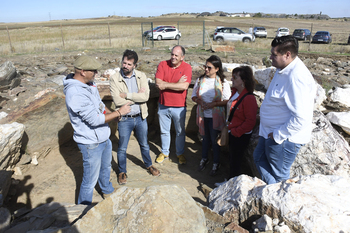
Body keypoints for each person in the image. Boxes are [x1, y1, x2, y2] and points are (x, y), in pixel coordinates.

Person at [63, 55, 131, 205]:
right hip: (90, 142)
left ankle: (107, 190)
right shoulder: (75, 93)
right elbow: (94, 120)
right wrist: (119, 113)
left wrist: (111, 114)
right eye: (93, 71)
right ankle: (83, 209)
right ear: (82, 71)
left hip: (103, 137)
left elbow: (99, 106)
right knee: (90, 179)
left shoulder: (89, 84)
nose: (96, 73)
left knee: (105, 167)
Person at [253, 35, 316, 184]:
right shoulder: (284, 68)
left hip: (283, 138)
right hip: (270, 134)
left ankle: (278, 201)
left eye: (274, 55)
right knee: (258, 158)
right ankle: (272, 192)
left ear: (287, 55)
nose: (270, 57)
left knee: (280, 176)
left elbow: (301, 117)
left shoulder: (296, 77)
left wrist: (277, 135)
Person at [110, 49, 160, 185]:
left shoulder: (141, 76)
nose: (125, 66)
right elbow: (117, 101)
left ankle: (149, 165)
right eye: (124, 62)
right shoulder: (114, 78)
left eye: (129, 64)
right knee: (122, 148)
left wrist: (127, 95)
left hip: (140, 117)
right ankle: (122, 171)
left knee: (144, 144)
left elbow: (145, 96)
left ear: (134, 65)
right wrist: (136, 96)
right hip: (125, 118)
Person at [191, 55, 231, 175]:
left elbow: (227, 100)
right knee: (204, 139)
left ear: (217, 69)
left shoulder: (223, 83)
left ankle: (216, 162)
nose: (206, 69)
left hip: (215, 116)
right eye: (205, 67)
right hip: (203, 115)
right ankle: (204, 158)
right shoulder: (200, 80)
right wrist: (200, 102)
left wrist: (214, 104)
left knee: (215, 140)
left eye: (209, 67)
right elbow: (193, 96)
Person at [155, 45, 192, 164]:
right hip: (163, 104)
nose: (173, 57)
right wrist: (176, 83)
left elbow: (184, 86)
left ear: (182, 57)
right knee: (164, 131)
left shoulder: (187, 67)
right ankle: (165, 152)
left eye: (176, 55)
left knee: (180, 132)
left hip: (179, 107)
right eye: (172, 54)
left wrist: (166, 85)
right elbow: (158, 84)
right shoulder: (162, 64)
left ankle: (179, 153)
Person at [227, 66, 257, 179]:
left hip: (240, 135)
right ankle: (229, 182)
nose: (232, 79)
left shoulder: (249, 98)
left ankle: (232, 185)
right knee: (231, 159)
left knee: (236, 161)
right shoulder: (236, 93)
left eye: (235, 77)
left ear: (243, 81)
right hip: (233, 131)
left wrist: (235, 132)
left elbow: (250, 121)